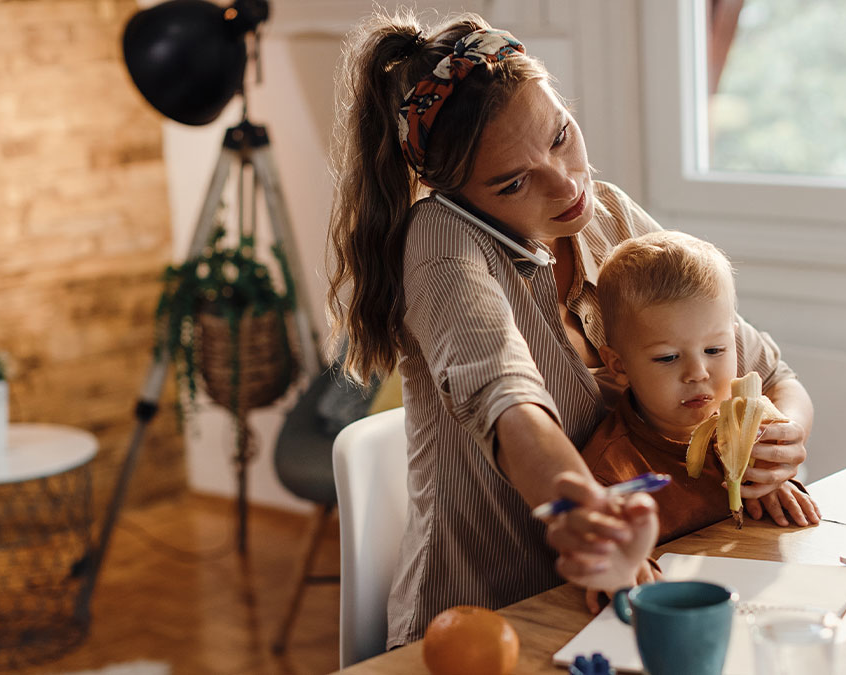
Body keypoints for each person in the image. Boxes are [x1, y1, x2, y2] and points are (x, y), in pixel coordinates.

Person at [325, 9, 814, 647]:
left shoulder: (605, 213)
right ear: (455, 193)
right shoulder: (441, 241)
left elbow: (769, 372)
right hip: (493, 621)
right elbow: (508, 404)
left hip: (631, 594)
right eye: (512, 182)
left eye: (560, 135)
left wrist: (783, 440)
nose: (566, 186)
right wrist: (592, 517)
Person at [586, 231, 821, 544]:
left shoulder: (750, 438)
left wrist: (774, 480)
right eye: (668, 357)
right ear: (619, 365)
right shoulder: (609, 475)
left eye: (715, 351)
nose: (697, 373)